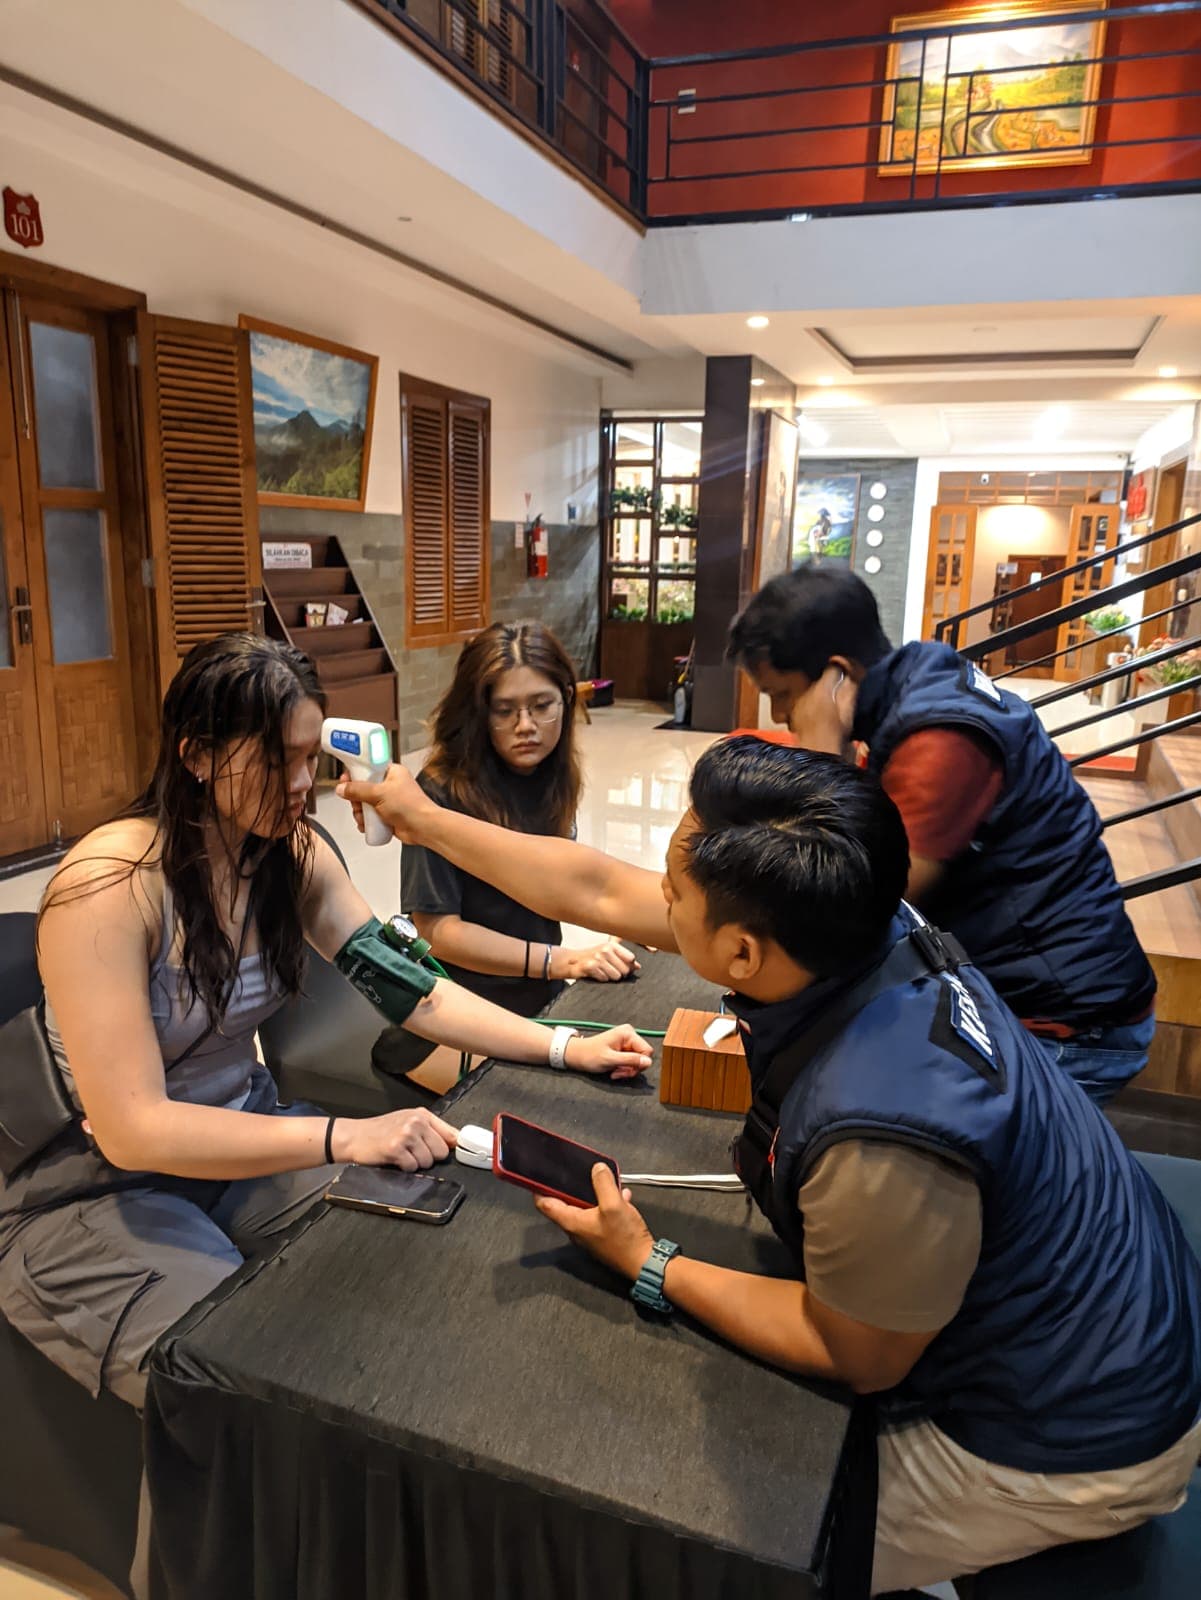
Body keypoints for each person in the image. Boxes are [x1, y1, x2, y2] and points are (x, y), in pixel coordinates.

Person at [534, 739, 1201, 1594]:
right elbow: (600, 888)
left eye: (674, 895)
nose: (656, 901)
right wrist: (427, 821)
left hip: (1074, 1435)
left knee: (696, 1527)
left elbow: (857, 1351)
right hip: (1120, 1306)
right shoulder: (873, 920)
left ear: (741, 955)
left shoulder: (880, 1127)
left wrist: (648, 1260)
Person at [0, 635, 650, 1414]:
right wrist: (345, 1134)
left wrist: (562, 1045)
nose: (305, 785)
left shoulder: (290, 853)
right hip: (93, 1190)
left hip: (240, 1143)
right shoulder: (109, 888)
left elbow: (418, 994)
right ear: (198, 755)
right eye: (280, 761)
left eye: (314, 757)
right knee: (241, 1381)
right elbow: (133, 1131)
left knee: (413, 1253)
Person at [725, 564, 1157, 1104]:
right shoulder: (917, 681)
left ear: (837, 673)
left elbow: (852, 899)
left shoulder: (939, 741)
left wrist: (819, 759)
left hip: (1069, 1026)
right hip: (1031, 992)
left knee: (890, 1137)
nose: (781, 714)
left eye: (783, 693)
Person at [384, 623, 637, 1092]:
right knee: (556, 1108)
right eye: (504, 711)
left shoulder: (553, 777)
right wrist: (560, 961)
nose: (526, 726)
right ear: (478, 714)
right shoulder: (438, 792)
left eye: (542, 707)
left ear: (567, 699)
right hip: (451, 1015)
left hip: (539, 1000)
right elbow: (438, 934)